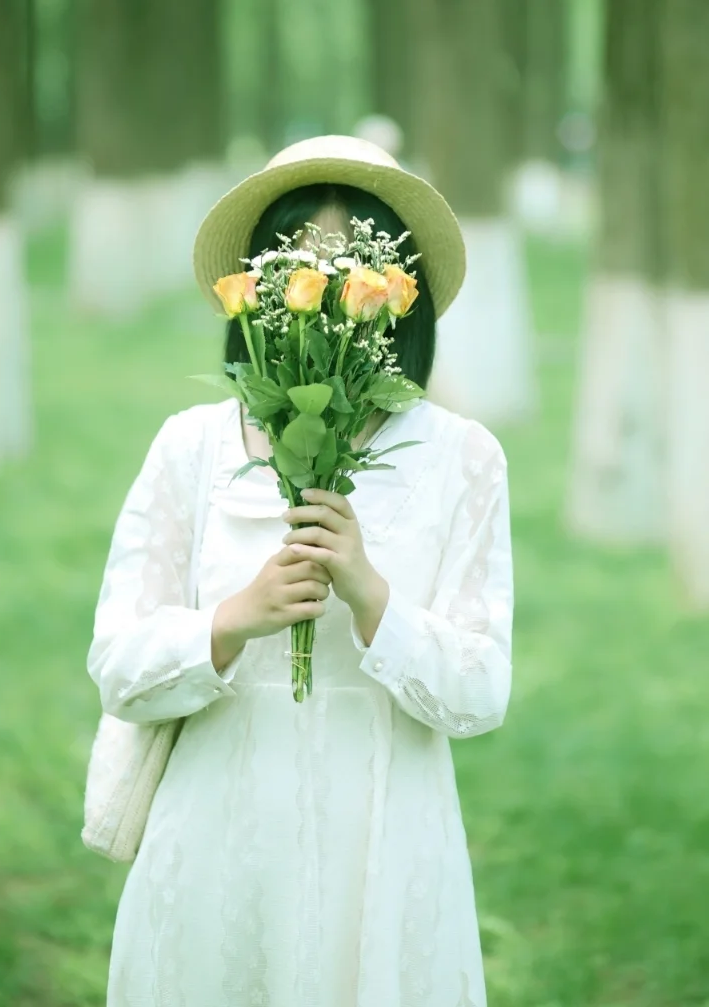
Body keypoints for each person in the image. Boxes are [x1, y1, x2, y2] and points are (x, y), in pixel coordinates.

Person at [87, 135, 514, 1007]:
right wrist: (233, 619)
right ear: (260, 291)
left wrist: (371, 596)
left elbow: (480, 694)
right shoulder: (192, 446)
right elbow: (118, 669)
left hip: (384, 853)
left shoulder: (464, 457)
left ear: (399, 294)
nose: (325, 292)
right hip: (217, 850)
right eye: (299, 268)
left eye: (354, 267)